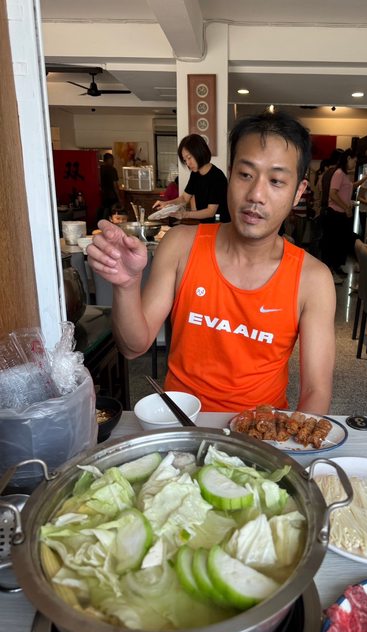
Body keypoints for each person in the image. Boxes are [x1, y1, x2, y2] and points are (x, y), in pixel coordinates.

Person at [87, 111, 336, 414]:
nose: (256, 194)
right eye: (246, 175)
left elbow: (315, 390)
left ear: (298, 192)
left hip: (259, 430)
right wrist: (127, 286)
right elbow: (132, 347)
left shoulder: (313, 279)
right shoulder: (181, 244)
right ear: (230, 175)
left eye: (276, 181)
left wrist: (288, 441)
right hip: (181, 422)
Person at [152, 134, 229, 223]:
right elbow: (184, 198)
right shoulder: (195, 174)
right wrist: (166, 204)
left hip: (220, 224)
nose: (188, 163)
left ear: (200, 152)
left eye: (189, 158)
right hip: (205, 224)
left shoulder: (217, 177)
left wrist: (184, 214)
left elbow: (210, 212)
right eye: (185, 160)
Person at [322, 149, 367, 283]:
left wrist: (366, 177)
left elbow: (351, 187)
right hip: (335, 214)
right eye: (354, 161)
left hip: (341, 214)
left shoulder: (344, 174)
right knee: (333, 243)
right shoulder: (339, 173)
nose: (355, 164)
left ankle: (336, 268)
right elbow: (333, 194)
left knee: (340, 242)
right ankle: (330, 272)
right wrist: (346, 207)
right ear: (348, 158)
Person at [99, 152, 121, 221]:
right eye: (112, 160)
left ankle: (102, 223)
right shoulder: (112, 169)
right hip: (112, 195)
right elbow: (115, 185)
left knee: (104, 211)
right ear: (108, 160)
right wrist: (119, 198)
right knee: (113, 213)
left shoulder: (100, 169)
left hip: (102, 195)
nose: (113, 161)